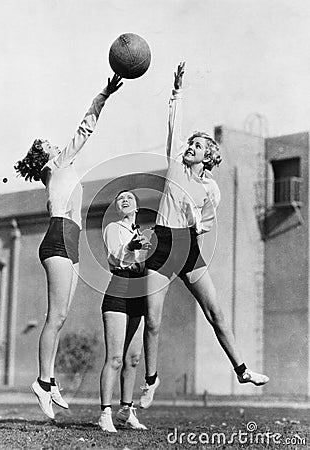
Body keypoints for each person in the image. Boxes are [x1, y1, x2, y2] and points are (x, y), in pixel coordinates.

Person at [140, 62, 269, 409]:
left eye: (197, 145)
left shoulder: (211, 188)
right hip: (163, 244)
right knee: (153, 321)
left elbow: (207, 221)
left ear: (209, 155)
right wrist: (177, 91)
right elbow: (174, 127)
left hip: (189, 246)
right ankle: (151, 380)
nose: (190, 147)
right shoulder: (174, 165)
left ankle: (242, 370)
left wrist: (195, 229)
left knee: (216, 314)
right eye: (191, 143)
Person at [14, 74, 123, 419]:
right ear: (44, 156)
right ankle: (43, 383)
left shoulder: (59, 169)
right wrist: (104, 94)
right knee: (56, 316)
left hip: (69, 240)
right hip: (59, 237)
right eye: (48, 143)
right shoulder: (57, 165)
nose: (55, 144)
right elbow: (85, 128)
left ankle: (50, 379)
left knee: (60, 318)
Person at [98, 190, 151, 432]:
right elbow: (115, 256)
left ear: (137, 207)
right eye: (120, 199)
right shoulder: (112, 228)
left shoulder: (143, 233)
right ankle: (105, 413)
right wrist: (131, 246)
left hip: (139, 291)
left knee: (133, 358)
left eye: (130, 197)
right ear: (118, 207)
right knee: (115, 358)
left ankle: (127, 412)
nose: (125, 200)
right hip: (119, 286)